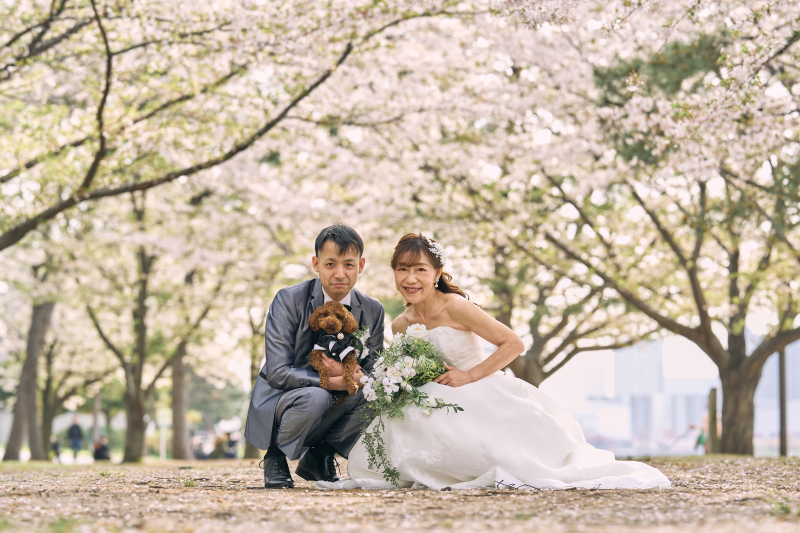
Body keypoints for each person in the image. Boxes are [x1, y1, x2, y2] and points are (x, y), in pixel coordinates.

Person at [319, 233, 670, 490]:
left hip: (480, 388)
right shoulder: (401, 323)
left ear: (437, 273)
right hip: (430, 398)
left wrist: (468, 376)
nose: (410, 279)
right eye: (402, 269)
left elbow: (512, 343)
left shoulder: (456, 307)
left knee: (497, 456)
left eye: (420, 270)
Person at [244, 225, 385, 489]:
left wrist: (359, 377)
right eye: (330, 264)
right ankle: (276, 455)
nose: (340, 274)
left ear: (361, 265)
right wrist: (334, 382)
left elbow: (374, 367)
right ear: (316, 264)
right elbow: (277, 372)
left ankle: (320, 456)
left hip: (339, 397)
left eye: (349, 264)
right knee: (316, 396)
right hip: (284, 399)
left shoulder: (373, 309)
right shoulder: (288, 299)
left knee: (378, 392)